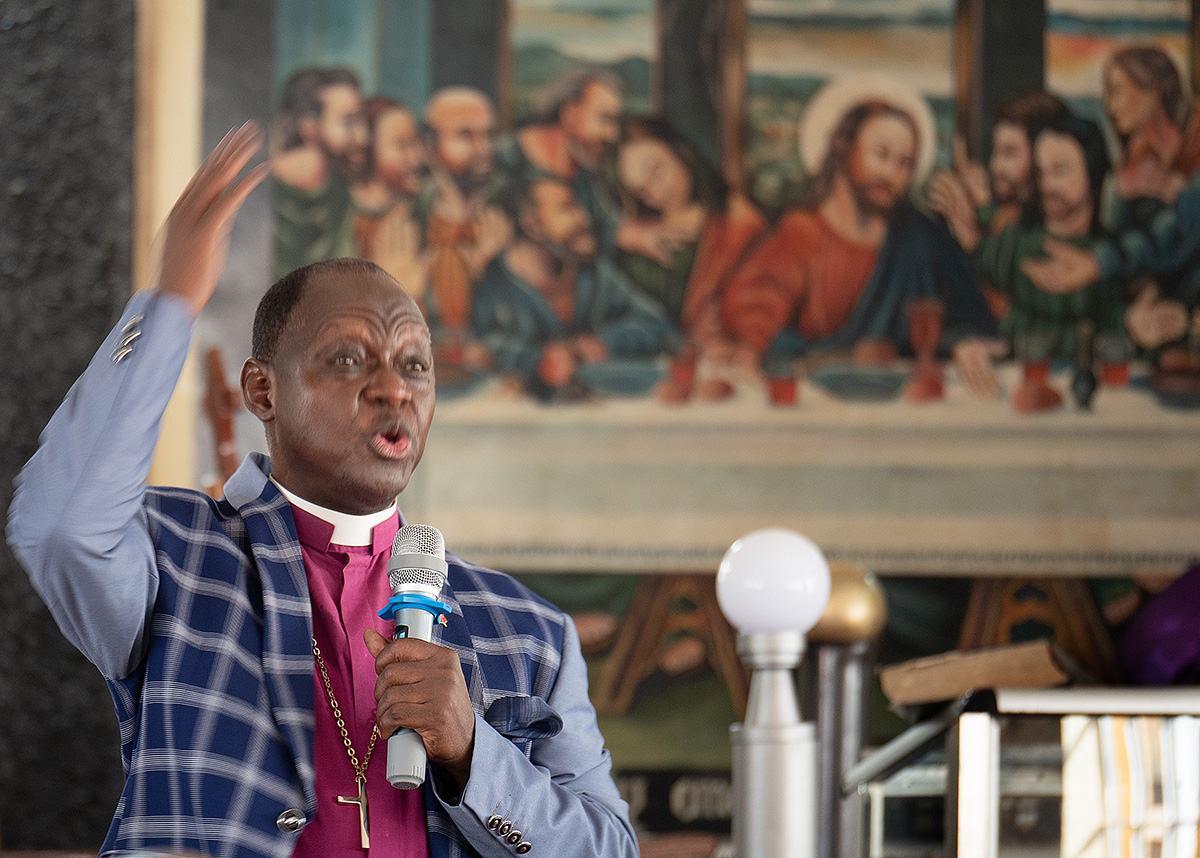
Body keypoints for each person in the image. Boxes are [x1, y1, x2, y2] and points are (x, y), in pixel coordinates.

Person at [7, 123, 636, 858]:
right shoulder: (173, 560)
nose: (393, 388)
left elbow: (609, 848)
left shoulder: (530, 631)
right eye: (348, 358)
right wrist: (171, 301)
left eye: (415, 365)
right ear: (263, 390)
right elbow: (57, 526)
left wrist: (472, 753)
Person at [720, 96, 1001, 396]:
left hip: (905, 401)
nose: (892, 173)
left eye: (905, 163)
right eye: (881, 154)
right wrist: (750, 345)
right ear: (844, 148)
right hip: (816, 400)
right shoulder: (803, 233)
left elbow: (970, 312)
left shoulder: (920, 237)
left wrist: (964, 341)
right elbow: (759, 299)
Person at [471, 175, 672, 401]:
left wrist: (606, 342)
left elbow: (657, 324)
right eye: (568, 209)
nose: (584, 218)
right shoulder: (494, 280)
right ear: (532, 224)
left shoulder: (594, 274)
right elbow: (476, 347)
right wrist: (537, 361)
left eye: (580, 206)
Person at [951, 114, 1126, 362]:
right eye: (1041, 172)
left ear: (1093, 171)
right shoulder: (1016, 239)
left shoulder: (1112, 256)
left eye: (1060, 171)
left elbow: (1119, 338)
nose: (1046, 184)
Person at [613, 118, 767, 400]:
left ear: (682, 153)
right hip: (656, 380)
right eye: (641, 190)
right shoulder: (635, 237)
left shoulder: (740, 225)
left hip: (725, 376)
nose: (656, 193)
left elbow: (760, 309)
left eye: (657, 172)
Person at [418, 87, 511, 360]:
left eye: (489, 136)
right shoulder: (408, 223)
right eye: (465, 135)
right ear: (428, 146)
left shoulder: (509, 220)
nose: (482, 149)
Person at [496, 67, 624, 253]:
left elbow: (612, 225)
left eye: (615, 122)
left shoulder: (589, 172)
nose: (613, 135)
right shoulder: (504, 158)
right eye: (605, 119)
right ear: (570, 115)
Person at [270, 67, 370, 279]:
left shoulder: (340, 190)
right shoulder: (273, 190)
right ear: (309, 128)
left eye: (360, 122)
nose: (363, 137)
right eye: (349, 122)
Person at [355, 97, 432, 311]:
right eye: (402, 145)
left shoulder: (419, 209)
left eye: (415, 143)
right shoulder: (347, 218)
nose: (415, 158)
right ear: (367, 149)